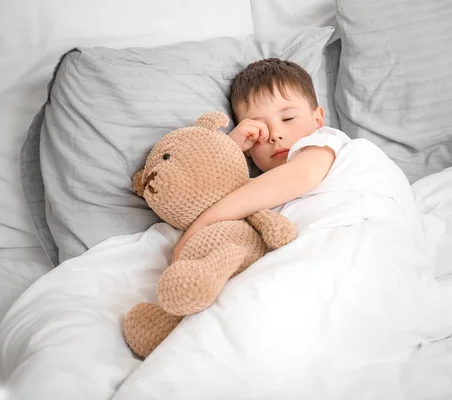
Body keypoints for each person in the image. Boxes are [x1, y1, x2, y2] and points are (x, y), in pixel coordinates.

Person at [172, 58, 420, 261]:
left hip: (366, 240)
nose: (276, 134)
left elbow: (298, 177)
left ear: (318, 119)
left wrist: (203, 224)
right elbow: (210, 192)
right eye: (259, 129)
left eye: (288, 118)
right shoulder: (258, 185)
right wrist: (232, 149)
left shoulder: (326, 144)